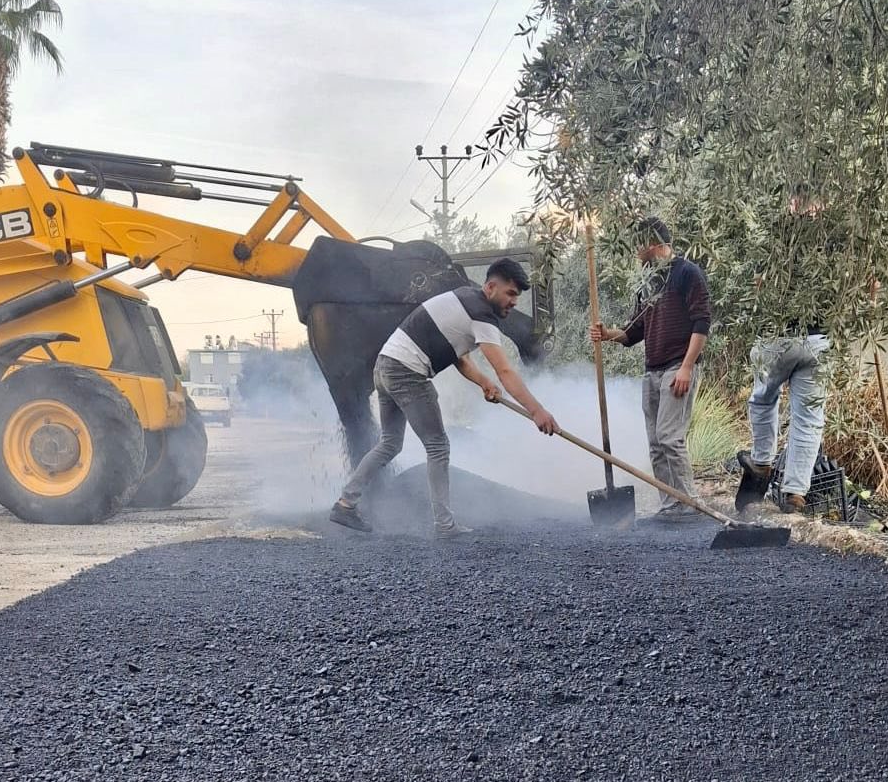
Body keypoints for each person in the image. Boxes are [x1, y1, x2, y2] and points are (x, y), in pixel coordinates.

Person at [330, 258, 559, 537]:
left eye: (517, 296)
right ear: (490, 287)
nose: (514, 301)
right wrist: (537, 411)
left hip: (385, 365)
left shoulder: (463, 297)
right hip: (407, 372)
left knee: (390, 443)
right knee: (438, 447)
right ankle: (445, 525)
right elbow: (506, 370)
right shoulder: (482, 315)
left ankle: (345, 503)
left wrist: (483, 382)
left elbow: (457, 356)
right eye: (510, 293)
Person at [589, 216, 713, 522]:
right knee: (656, 444)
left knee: (670, 438)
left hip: (676, 367)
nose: (634, 249)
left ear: (654, 243)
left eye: (638, 243)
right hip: (652, 369)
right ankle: (671, 506)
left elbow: (701, 323)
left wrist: (686, 367)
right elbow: (634, 332)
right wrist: (608, 335)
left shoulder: (687, 273)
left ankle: (692, 505)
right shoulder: (647, 280)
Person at [736, 196, 831, 514]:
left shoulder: (779, 232)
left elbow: (759, 283)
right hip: (819, 340)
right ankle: (795, 493)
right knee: (809, 420)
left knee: (763, 399)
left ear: (794, 201)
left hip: (779, 336)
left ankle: (762, 461)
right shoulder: (838, 236)